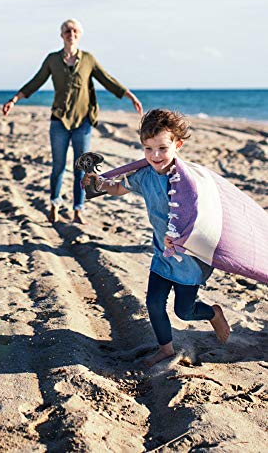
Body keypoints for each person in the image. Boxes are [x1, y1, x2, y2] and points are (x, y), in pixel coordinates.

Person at [83, 109, 230, 367]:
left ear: (177, 145)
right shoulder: (144, 175)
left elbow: (201, 213)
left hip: (187, 260)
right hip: (162, 255)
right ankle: (165, 349)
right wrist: (99, 184)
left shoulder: (188, 181)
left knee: (185, 311)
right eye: (148, 149)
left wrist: (180, 236)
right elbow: (118, 188)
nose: (155, 155)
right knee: (153, 303)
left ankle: (213, 313)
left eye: (163, 148)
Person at [2, 18, 142, 224]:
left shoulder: (88, 59)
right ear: (61, 35)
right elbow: (36, 81)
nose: (71, 34)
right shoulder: (52, 59)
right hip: (59, 121)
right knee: (58, 167)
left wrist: (131, 97)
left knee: (82, 168)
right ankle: (54, 205)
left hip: (83, 123)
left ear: (80, 35)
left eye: (75, 30)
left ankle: (78, 209)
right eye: (67, 31)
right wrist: (14, 99)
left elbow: (107, 80)